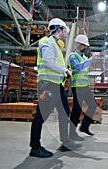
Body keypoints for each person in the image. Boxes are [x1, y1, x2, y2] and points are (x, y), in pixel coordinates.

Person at [29, 18, 80, 158]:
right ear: (58, 29)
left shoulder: (56, 45)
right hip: (47, 85)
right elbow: (48, 62)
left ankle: (65, 142)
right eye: (64, 30)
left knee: (64, 113)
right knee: (42, 115)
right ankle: (35, 147)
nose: (65, 33)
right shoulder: (46, 42)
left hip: (57, 86)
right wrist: (65, 70)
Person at [68, 34, 100, 140]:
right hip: (77, 86)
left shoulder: (84, 57)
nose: (85, 47)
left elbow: (85, 70)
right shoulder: (73, 56)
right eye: (83, 45)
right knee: (77, 109)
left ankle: (84, 127)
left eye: (85, 45)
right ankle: (72, 133)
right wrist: (91, 59)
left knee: (93, 105)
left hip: (85, 86)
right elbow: (77, 67)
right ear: (78, 44)